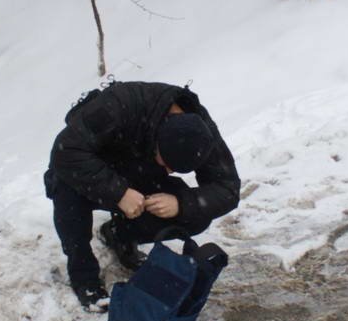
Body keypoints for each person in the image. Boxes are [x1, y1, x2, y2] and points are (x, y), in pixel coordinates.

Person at [44, 81, 241, 309]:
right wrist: (118, 193)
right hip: (89, 167)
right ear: (159, 137)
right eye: (167, 164)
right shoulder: (118, 105)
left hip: (140, 171)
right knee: (65, 187)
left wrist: (180, 204)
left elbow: (228, 188)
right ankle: (83, 274)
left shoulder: (200, 131)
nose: (170, 172)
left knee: (197, 213)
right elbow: (66, 151)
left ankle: (120, 235)